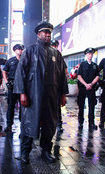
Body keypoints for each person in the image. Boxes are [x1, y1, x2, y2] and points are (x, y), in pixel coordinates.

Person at [13, 21, 68, 164]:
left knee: (50, 124)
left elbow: (62, 75)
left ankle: (46, 151)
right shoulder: (30, 51)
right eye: (45, 32)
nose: (48, 34)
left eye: (49, 32)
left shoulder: (56, 53)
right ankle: (25, 153)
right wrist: (22, 93)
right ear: (39, 34)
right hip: (33, 95)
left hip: (51, 95)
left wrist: (63, 94)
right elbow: (21, 73)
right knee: (29, 122)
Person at [2, 44, 24, 132]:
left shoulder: (26, 60)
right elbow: (4, 72)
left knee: (23, 107)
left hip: (22, 86)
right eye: (18, 49)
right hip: (12, 86)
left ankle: (23, 125)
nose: (20, 50)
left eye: (22, 49)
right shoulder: (10, 61)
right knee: (11, 106)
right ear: (15, 51)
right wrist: (7, 82)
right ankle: (9, 125)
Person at [77, 47, 100, 130]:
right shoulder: (82, 65)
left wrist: (91, 84)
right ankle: (80, 122)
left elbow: (97, 76)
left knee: (92, 106)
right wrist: (85, 84)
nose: (90, 55)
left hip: (91, 88)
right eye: (89, 54)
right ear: (86, 55)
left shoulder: (95, 65)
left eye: (91, 54)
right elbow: (79, 76)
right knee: (81, 105)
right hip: (83, 88)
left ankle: (91, 123)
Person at [50, 39, 69, 132]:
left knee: (57, 106)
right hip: (47, 86)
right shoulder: (45, 56)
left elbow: (65, 72)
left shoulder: (59, 57)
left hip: (56, 86)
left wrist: (64, 93)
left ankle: (59, 124)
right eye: (53, 46)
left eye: (56, 46)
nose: (54, 48)